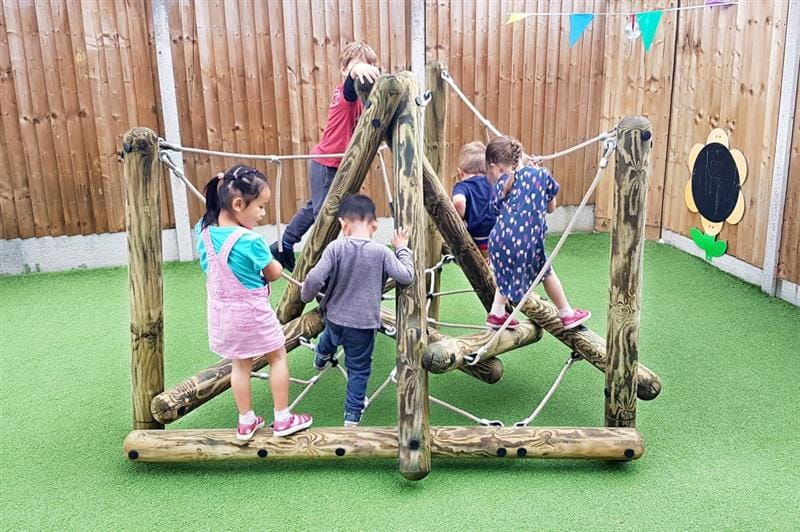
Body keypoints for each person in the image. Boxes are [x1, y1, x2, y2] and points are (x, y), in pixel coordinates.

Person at [197, 164, 313, 440]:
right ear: (239, 204)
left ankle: (246, 421)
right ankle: (283, 418)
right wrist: (272, 259)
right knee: (277, 356)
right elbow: (273, 274)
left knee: (240, 364)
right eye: (260, 207)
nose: (262, 214)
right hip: (251, 311)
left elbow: (208, 266)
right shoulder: (251, 240)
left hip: (221, 313)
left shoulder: (204, 232)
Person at [300, 194, 415, 427]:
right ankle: (352, 415)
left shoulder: (335, 247)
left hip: (335, 318)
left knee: (329, 338)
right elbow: (407, 276)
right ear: (375, 225)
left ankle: (321, 356)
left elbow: (314, 279)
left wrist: (305, 295)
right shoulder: (382, 252)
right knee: (359, 369)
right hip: (363, 325)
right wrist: (402, 249)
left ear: (343, 224)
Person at [271, 42, 381, 271]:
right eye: (360, 65)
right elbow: (352, 83)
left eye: (371, 65)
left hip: (337, 163)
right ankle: (322, 269)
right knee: (326, 216)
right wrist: (356, 71)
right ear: (344, 69)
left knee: (314, 208)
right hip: (326, 163)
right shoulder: (345, 95)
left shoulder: (364, 100)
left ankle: (284, 244)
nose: (366, 69)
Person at [484, 137, 591, 331]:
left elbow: (495, 210)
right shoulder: (541, 175)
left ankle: (497, 312)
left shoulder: (501, 182)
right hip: (526, 241)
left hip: (498, 241)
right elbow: (551, 208)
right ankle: (566, 313)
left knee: (505, 273)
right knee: (547, 273)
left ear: (496, 166)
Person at [451, 141, 497, 258]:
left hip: (480, 240)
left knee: (483, 270)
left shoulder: (463, 186)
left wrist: (460, 218)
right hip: (499, 236)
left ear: (460, 172)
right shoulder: (494, 182)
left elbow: (458, 201)